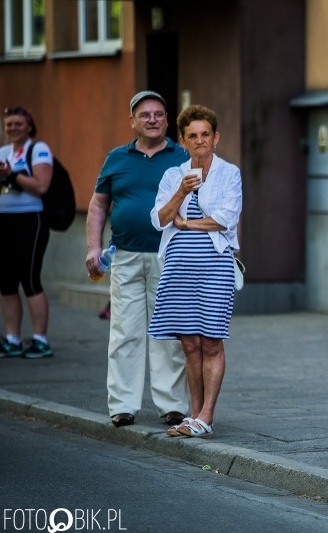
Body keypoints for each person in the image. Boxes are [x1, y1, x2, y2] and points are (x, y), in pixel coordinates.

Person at [86, 91, 189, 428]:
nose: (152, 120)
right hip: (125, 256)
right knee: (125, 331)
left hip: (169, 256)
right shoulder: (117, 158)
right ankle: (123, 406)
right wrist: (93, 247)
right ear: (132, 121)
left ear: (167, 120)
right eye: (145, 115)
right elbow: (98, 204)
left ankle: (172, 406)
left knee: (168, 334)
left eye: (159, 114)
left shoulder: (183, 156)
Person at [148, 104, 242, 439]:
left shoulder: (229, 173)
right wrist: (181, 191)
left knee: (211, 340)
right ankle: (194, 414)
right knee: (189, 342)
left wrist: (186, 222)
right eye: (192, 136)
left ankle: (207, 415)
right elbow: (159, 219)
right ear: (183, 141)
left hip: (215, 265)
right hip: (178, 267)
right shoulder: (173, 175)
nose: (200, 140)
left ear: (216, 138)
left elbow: (226, 219)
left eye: (205, 134)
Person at [0, 107, 54, 359]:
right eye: (9, 124)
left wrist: (11, 175)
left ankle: (40, 339)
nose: (13, 128)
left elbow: (41, 186)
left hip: (30, 220)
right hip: (4, 220)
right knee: (6, 282)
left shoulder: (38, 149)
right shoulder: (3, 152)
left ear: (29, 126)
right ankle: (12, 338)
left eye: (18, 124)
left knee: (30, 279)